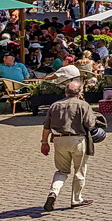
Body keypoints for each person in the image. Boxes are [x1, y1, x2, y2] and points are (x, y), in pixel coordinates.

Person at [41, 80, 98, 212]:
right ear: (80, 92)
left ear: (65, 92)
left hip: (59, 140)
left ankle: (53, 193)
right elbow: (90, 124)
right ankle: (76, 199)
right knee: (79, 170)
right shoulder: (83, 105)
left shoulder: (55, 105)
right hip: (77, 140)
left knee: (61, 171)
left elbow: (46, 127)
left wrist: (44, 143)